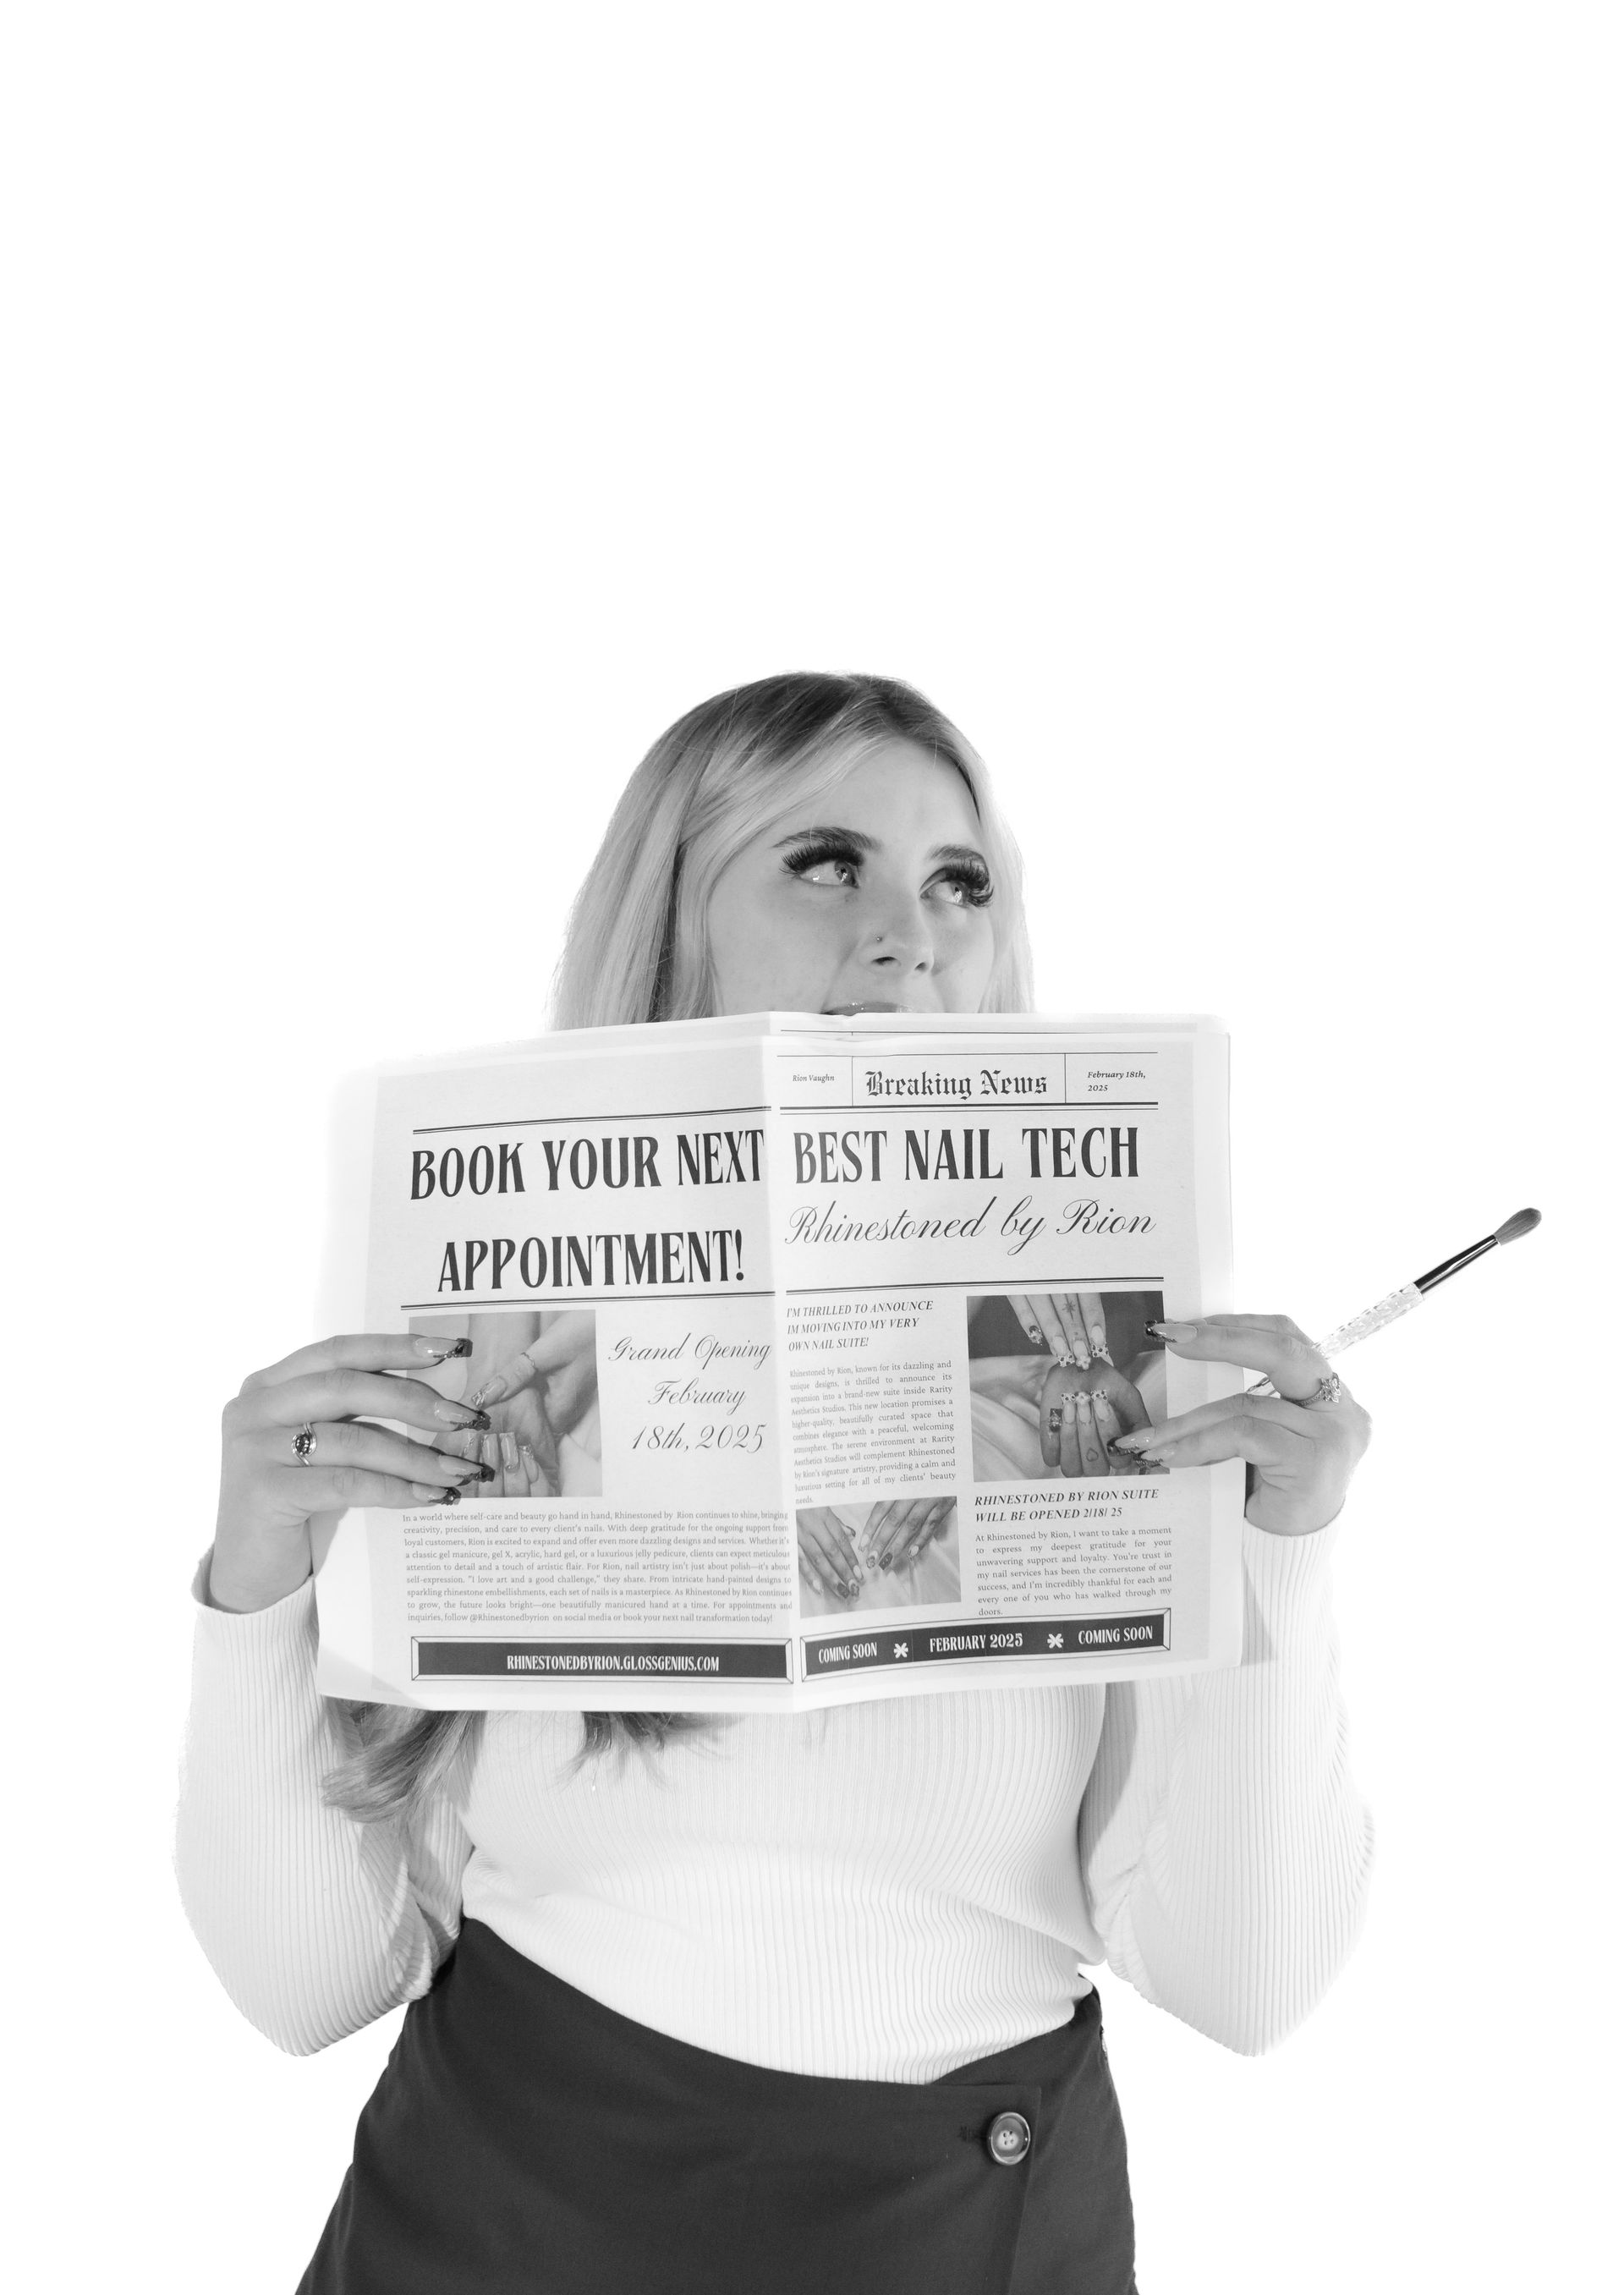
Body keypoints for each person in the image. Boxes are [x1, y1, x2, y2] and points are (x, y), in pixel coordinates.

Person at [178, 672, 1374, 2295]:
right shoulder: (486, 1358)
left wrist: (1286, 1545)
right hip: (498, 2224)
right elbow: (303, 1988)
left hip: (962, 2228)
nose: (912, 937)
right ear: (673, 913)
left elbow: (1251, 1987)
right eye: (828, 863)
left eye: (961, 880)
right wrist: (257, 1575)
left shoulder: (1109, 1381)